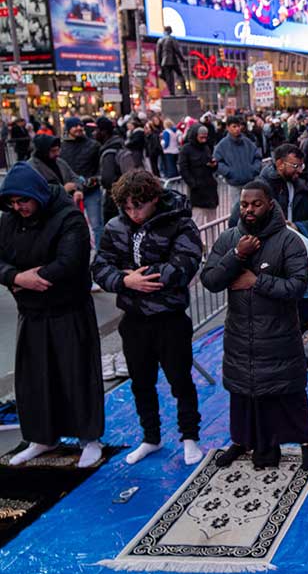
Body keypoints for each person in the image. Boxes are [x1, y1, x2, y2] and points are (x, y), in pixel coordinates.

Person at [201, 180, 308, 470]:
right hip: (241, 333)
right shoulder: (230, 239)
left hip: (279, 334)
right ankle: (242, 441)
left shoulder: (288, 240)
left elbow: (299, 286)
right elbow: (210, 280)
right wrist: (237, 256)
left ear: (269, 204)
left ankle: (305, 444)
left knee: (288, 391)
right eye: (244, 204)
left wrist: (258, 282)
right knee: (243, 393)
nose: (249, 210)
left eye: (256, 204)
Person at [91, 170, 204, 466]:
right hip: (134, 318)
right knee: (141, 382)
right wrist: (124, 281)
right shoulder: (116, 227)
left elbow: (185, 265)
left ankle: (190, 437)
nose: (133, 213)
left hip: (170, 318)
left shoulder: (180, 223)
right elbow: (100, 266)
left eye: (138, 206)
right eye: (127, 207)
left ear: (153, 199)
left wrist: (138, 276)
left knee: (181, 381)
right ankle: (150, 437)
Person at [0, 163, 105, 468]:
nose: (19, 208)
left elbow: (70, 262)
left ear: (37, 195)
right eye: (13, 203)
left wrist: (35, 279)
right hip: (31, 312)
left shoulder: (68, 217)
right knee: (34, 380)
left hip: (68, 309)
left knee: (77, 375)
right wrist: (18, 278)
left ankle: (90, 439)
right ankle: (42, 437)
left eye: (24, 201)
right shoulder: (9, 221)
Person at [60, 117, 103, 248]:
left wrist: (93, 180)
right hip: (69, 193)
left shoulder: (94, 145)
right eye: (74, 126)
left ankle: (100, 255)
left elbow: (100, 169)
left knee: (96, 225)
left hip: (91, 190)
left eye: (80, 125)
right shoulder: (62, 147)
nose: (78, 128)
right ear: (68, 129)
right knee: (70, 225)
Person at [214, 116, 263, 206]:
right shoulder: (222, 145)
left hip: (249, 182)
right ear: (228, 127)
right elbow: (217, 162)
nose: (237, 129)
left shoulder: (247, 142)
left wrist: (254, 169)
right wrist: (228, 172)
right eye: (234, 126)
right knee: (236, 210)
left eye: (238, 126)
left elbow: (257, 157)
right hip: (234, 184)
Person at [177, 125, 220, 227]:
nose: (204, 140)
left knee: (212, 222)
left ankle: (212, 242)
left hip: (209, 188)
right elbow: (183, 169)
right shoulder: (186, 149)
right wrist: (193, 184)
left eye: (205, 137)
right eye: (201, 137)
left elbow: (211, 164)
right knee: (197, 221)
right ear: (195, 136)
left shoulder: (206, 148)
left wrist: (213, 165)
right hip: (197, 191)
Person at [28, 134, 81, 205]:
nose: (57, 153)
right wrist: (63, 190)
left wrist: (77, 189)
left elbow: (74, 177)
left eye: (58, 150)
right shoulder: (31, 167)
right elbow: (37, 191)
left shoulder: (60, 162)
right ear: (43, 151)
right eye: (53, 151)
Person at [156, 26, 189, 96]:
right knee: (180, 75)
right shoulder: (172, 39)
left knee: (169, 78)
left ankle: (172, 93)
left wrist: (160, 65)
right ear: (170, 31)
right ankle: (184, 90)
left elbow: (158, 54)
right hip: (173, 60)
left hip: (164, 62)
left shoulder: (160, 40)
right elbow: (177, 50)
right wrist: (182, 59)